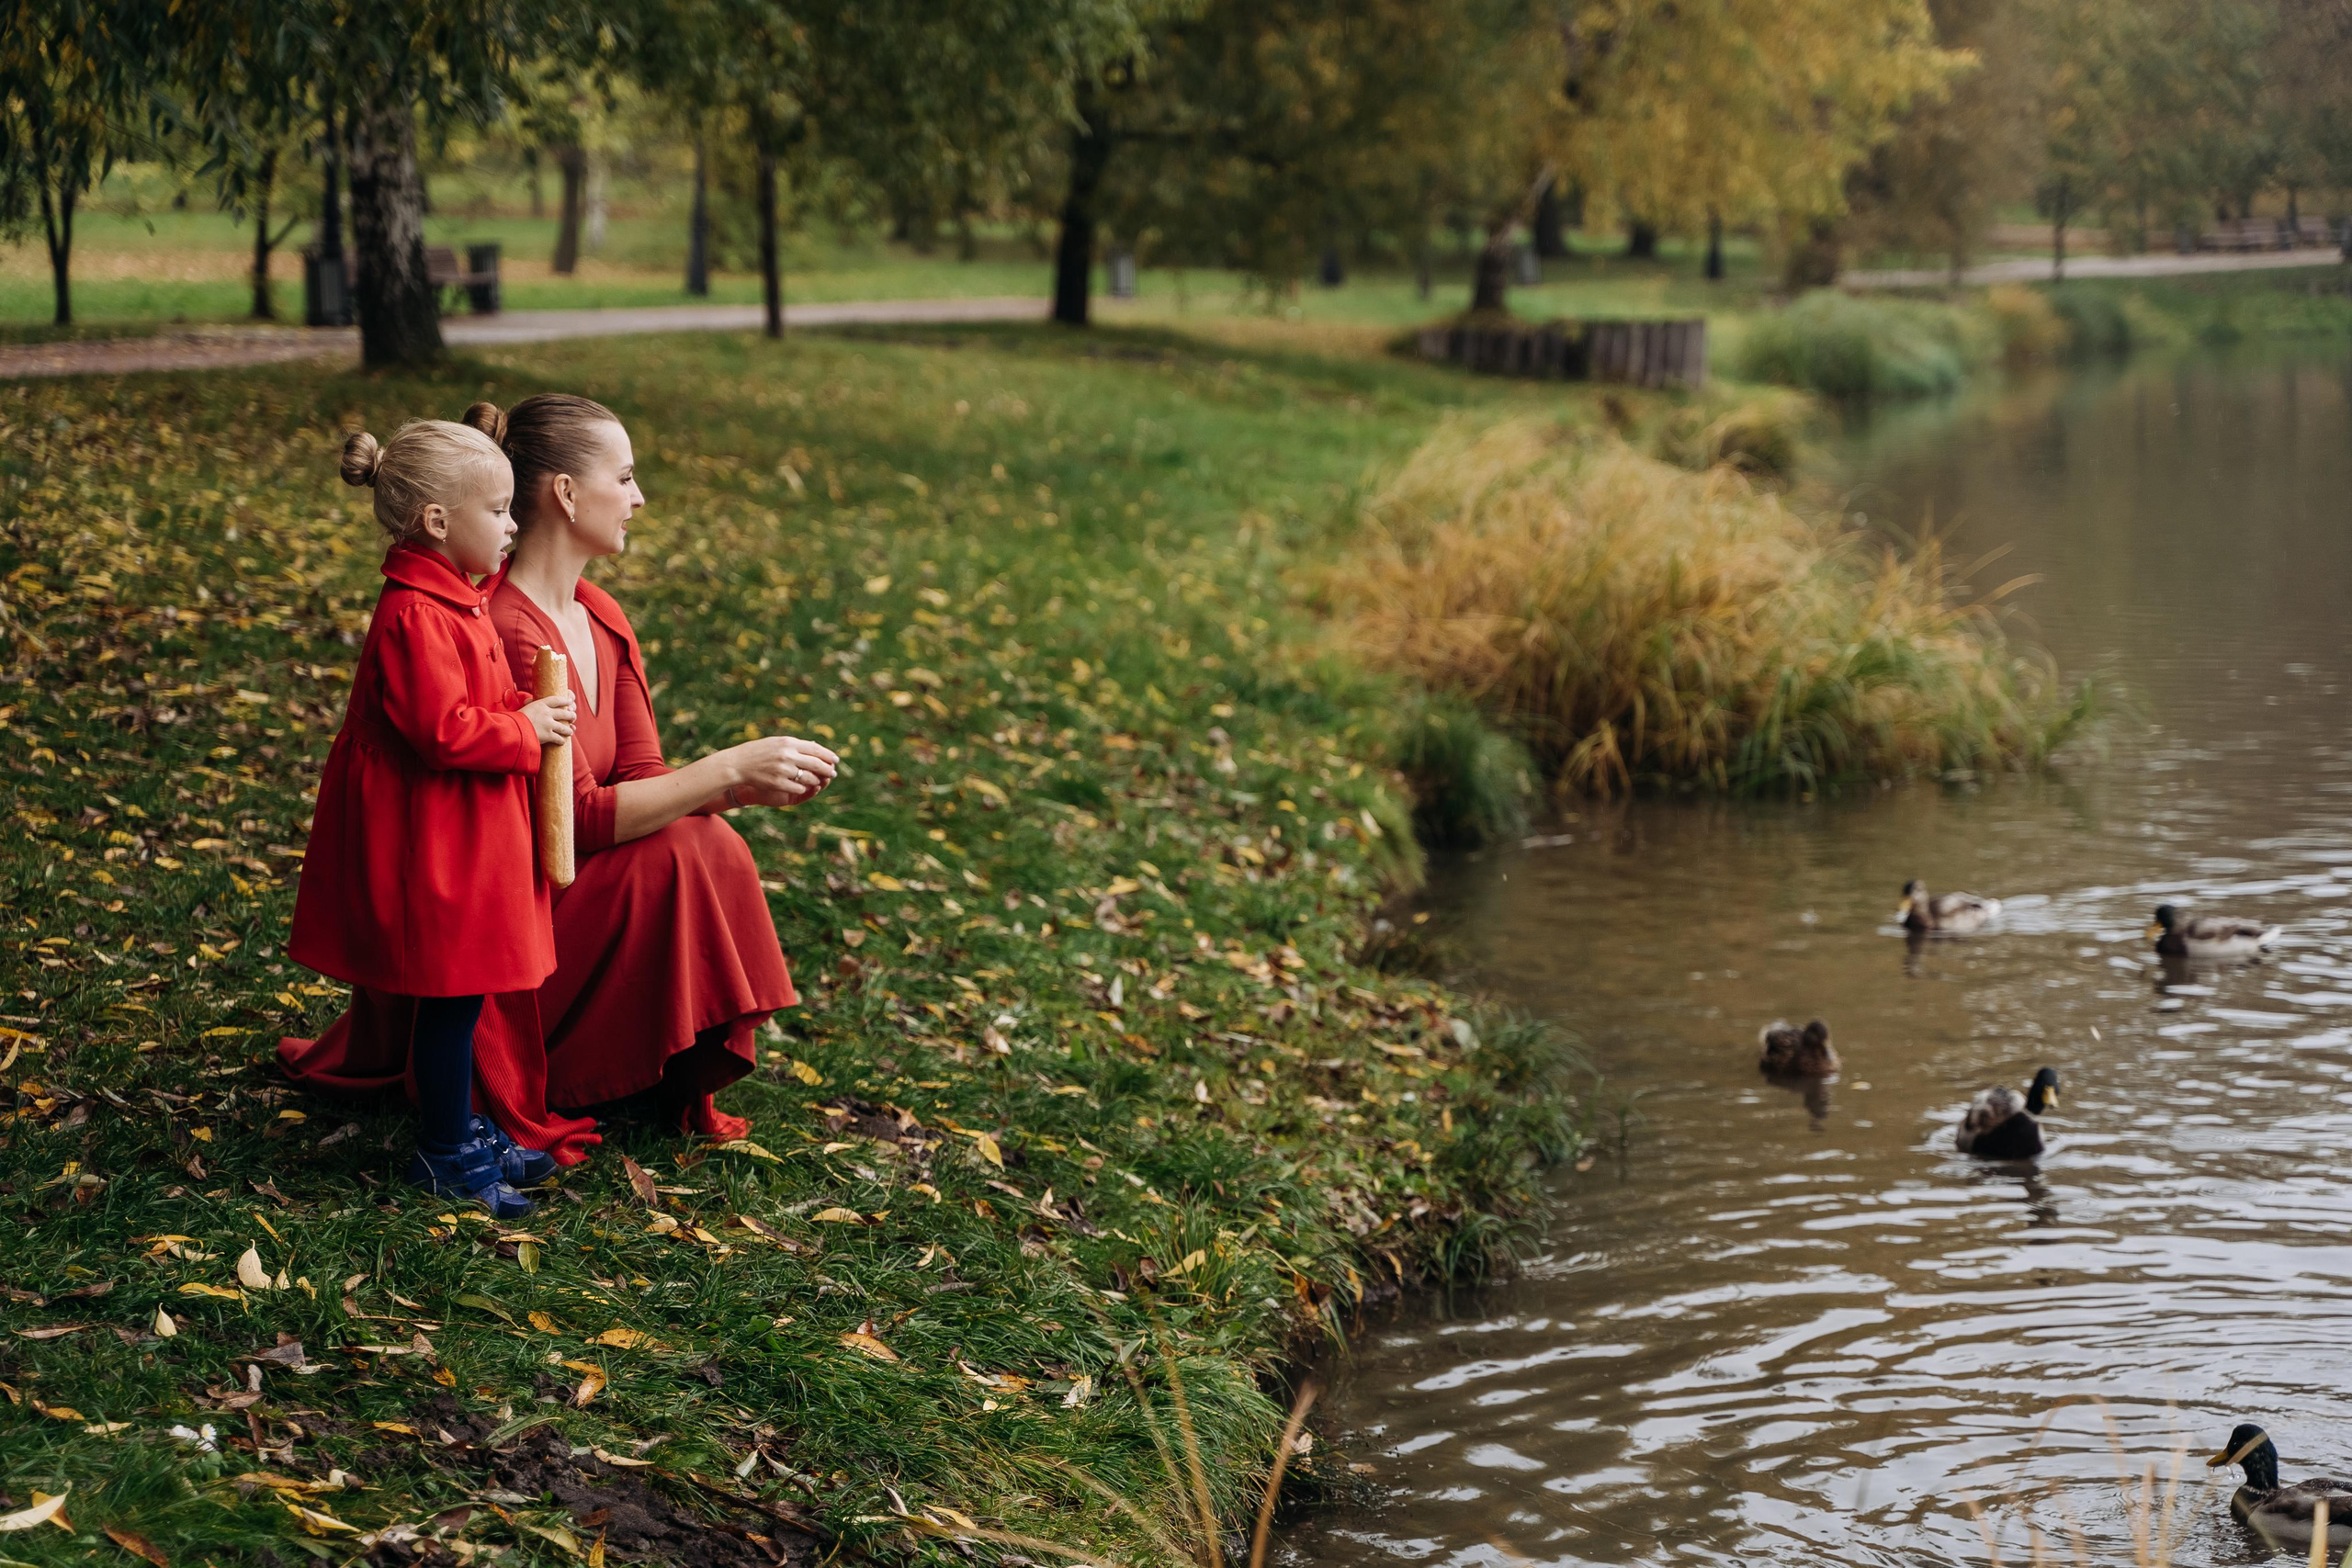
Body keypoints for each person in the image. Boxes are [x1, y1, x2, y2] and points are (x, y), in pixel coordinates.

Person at [464, 394, 838, 1136]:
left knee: (707, 842)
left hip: (575, 891)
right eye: (626, 477)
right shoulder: (508, 630)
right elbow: (571, 829)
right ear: (566, 494)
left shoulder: (599, 613)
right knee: (693, 843)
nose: (638, 497)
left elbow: (642, 778)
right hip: (517, 921)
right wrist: (731, 773)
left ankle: (655, 1066)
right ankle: (565, 1068)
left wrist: (738, 789)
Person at [283, 421, 577, 1218]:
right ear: (440, 522)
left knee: (467, 995)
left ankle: (467, 1127)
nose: (514, 525)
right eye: (501, 510)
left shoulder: (460, 599)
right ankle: (446, 1151)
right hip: (432, 843)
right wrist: (526, 730)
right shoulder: (415, 614)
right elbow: (442, 730)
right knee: (451, 1001)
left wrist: (524, 707)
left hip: (466, 831)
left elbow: (473, 706)